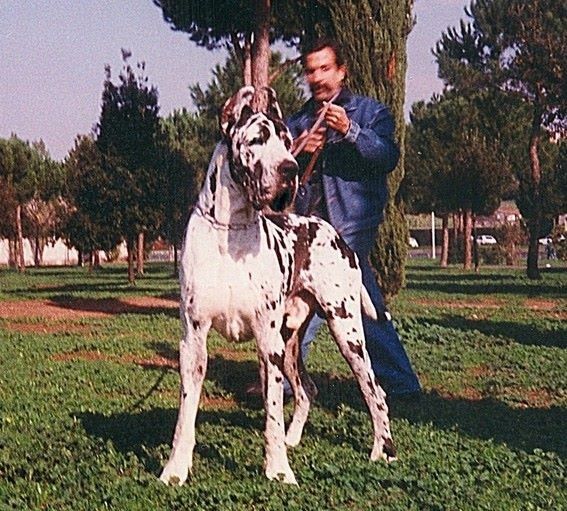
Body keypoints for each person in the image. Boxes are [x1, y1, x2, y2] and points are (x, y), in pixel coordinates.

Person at [285, 37, 421, 400]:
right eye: (310, 71)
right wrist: (297, 150)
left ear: (342, 71)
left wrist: (350, 131)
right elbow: (278, 175)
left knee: (319, 303)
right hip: (305, 231)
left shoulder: (370, 112)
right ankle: (400, 382)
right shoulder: (297, 121)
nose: (317, 77)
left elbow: (387, 157)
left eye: (325, 68)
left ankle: (285, 382)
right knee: (354, 304)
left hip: (350, 228)